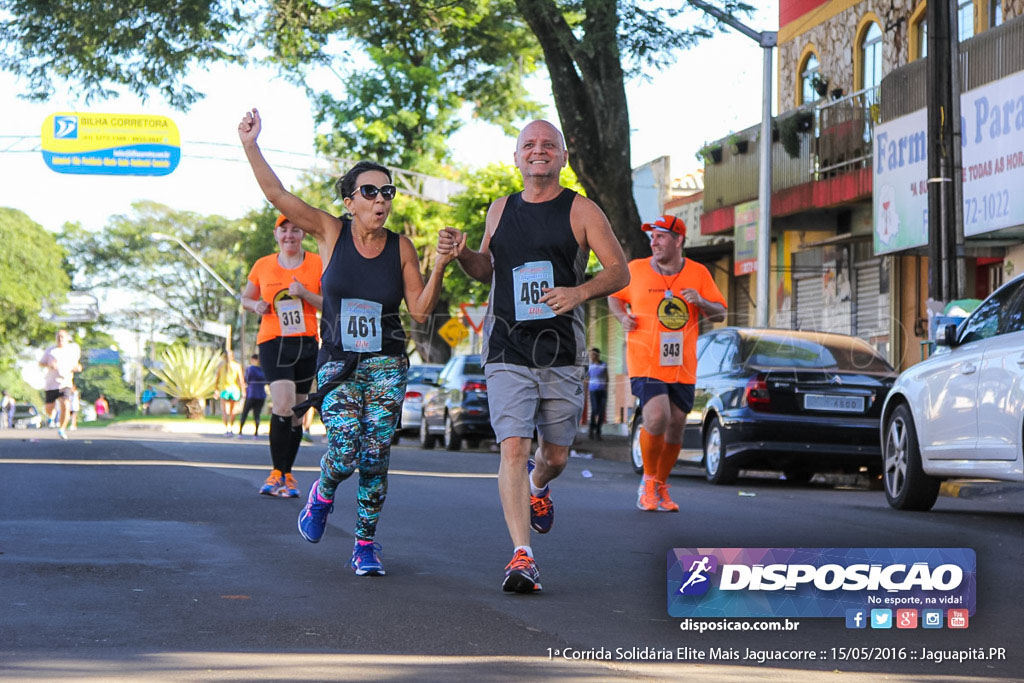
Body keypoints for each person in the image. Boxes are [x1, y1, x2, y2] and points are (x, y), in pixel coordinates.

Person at [239, 107, 456, 576]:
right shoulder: (330, 232)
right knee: (343, 447)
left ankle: (365, 544)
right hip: (338, 363)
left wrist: (440, 263)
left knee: (376, 452)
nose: (381, 201)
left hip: (386, 363)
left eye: (387, 193)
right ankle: (321, 492)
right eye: (370, 192)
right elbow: (278, 193)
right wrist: (251, 145)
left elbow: (419, 311)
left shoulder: (401, 247)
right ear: (350, 200)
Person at [437, 119, 629, 594]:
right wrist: (464, 254)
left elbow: (620, 271)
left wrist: (578, 292)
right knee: (514, 447)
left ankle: (541, 487)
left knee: (556, 455)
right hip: (506, 346)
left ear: (562, 157)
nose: (538, 151)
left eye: (549, 145)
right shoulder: (500, 209)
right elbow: (487, 270)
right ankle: (522, 555)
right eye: (529, 145)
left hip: (562, 350)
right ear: (517, 158)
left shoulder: (582, 210)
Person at [608, 214, 726, 512]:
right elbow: (614, 295)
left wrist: (700, 301)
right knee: (657, 417)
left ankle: (660, 485)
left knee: (675, 428)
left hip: (682, 364)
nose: (654, 241)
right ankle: (647, 483)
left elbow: (720, 313)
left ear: (679, 240)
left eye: (661, 236)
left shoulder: (698, 273)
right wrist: (623, 316)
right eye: (652, 236)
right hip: (645, 360)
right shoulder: (635, 269)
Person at [241, 213, 323, 497]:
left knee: (298, 413)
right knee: (284, 405)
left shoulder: (318, 263)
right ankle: (275, 472)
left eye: (295, 229)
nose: (289, 235)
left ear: (303, 234)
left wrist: (305, 294)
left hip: (306, 342)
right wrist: (256, 307)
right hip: (273, 340)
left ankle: (288, 474)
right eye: (283, 230)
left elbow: (331, 304)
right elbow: (246, 298)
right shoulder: (263, 265)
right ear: (276, 235)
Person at [38, 329, 82, 439]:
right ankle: (51, 416)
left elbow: (78, 366)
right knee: (49, 407)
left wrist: (78, 368)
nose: (60, 339)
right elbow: (41, 362)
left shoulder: (71, 351)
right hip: (51, 384)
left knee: (66, 406)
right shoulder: (51, 351)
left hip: (65, 383)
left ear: (67, 338)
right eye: (58, 337)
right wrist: (49, 364)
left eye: (62, 337)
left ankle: (62, 429)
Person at [215, 350, 246, 436]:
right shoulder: (237, 366)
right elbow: (240, 379)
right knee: (233, 411)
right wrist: (243, 390)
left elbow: (217, 379)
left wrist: (216, 389)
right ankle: (231, 428)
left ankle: (226, 430)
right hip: (234, 390)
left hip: (224, 390)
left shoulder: (221, 366)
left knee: (224, 411)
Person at [238, 353, 267, 438]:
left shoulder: (250, 369)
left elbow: (246, 379)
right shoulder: (264, 370)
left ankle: (240, 432)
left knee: (245, 413)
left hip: (251, 393)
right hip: (261, 394)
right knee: (257, 414)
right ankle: (256, 433)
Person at [586, 348, 608, 440]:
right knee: (595, 410)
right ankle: (591, 429)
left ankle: (598, 431)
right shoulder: (589, 366)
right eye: (591, 354)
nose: (592, 356)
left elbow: (607, 377)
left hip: (602, 391)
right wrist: (585, 391)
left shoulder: (603, 365)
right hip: (593, 391)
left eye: (593, 354)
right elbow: (586, 379)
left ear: (598, 355)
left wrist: (606, 389)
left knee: (601, 411)